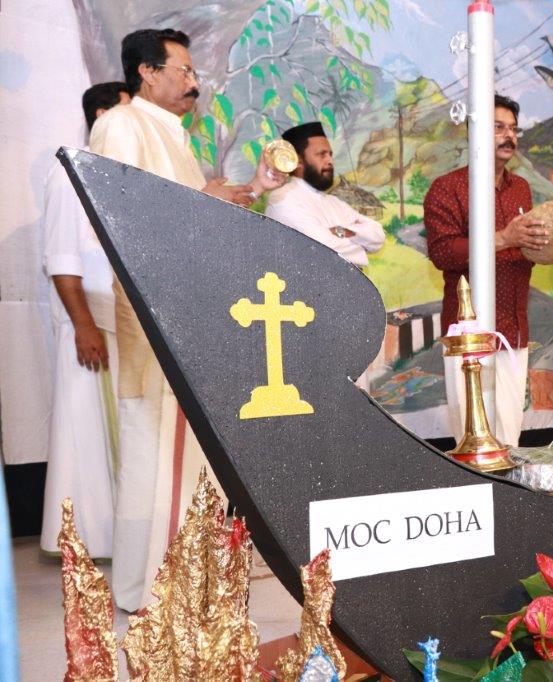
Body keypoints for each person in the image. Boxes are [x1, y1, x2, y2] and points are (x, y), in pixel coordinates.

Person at [89, 28, 286, 612]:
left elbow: (199, 211)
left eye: (194, 72)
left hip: (188, 308)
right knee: (155, 449)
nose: (193, 82)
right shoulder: (122, 124)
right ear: (147, 72)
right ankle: (152, 590)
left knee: (188, 452)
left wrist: (253, 188)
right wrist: (206, 202)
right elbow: (124, 214)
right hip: (154, 309)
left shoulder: (172, 134)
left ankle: (187, 579)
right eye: (183, 70)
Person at [39, 81, 131, 559]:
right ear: (101, 115)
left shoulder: (118, 173)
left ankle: (125, 535)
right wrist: (84, 325)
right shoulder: (68, 171)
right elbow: (62, 259)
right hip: (90, 323)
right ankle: (89, 540)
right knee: (87, 436)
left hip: (121, 320)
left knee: (119, 434)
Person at [424, 94, 545, 447]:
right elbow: (443, 252)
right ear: (474, 132)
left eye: (513, 129)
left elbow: (522, 249)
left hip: (513, 330)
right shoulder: (447, 188)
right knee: (473, 441)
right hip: (470, 332)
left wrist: (549, 249)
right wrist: (503, 238)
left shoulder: (520, 188)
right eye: (498, 128)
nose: (510, 136)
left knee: (509, 438)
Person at [266, 122, 384, 269]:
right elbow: (322, 249)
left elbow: (378, 236)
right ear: (298, 160)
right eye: (322, 154)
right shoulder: (282, 199)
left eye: (330, 154)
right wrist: (360, 244)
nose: (330, 161)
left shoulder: (335, 202)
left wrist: (340, 230)